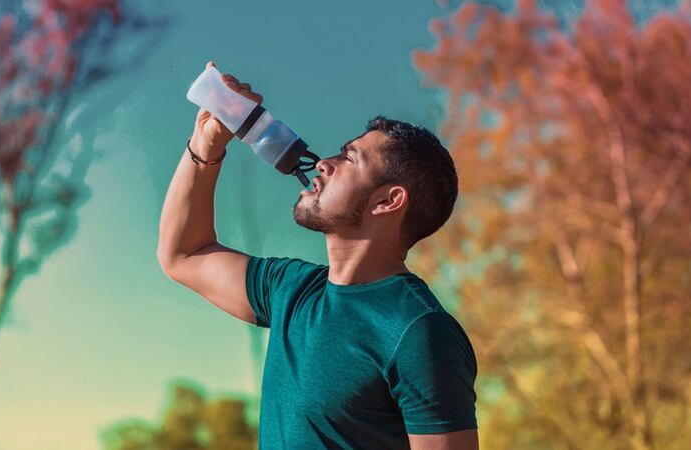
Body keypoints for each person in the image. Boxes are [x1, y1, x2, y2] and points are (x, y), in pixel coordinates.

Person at [157, 61, 479, 450]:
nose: (325, 162)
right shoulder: (290, 290)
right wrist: (206, 144)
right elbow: (183, 254)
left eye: (350, 158)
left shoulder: (418, 332)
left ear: (388, 201)